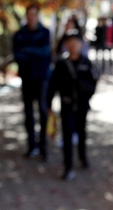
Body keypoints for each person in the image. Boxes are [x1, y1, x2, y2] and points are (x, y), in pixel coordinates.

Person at [47, 29, 99, 181]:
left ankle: (83, 158)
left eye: (76, 42)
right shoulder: (61, 64)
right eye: (70, 43)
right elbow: (52, 85)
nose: (73, 45)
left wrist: (85, 90)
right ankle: (68, 166)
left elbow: (94, 83)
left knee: (81, 132)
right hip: (66, 105)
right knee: (67, 135)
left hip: (82, 105)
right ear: (66, 45)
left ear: (81, 44)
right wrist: (49, 104)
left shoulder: (87, 63)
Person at [13, 4, 52, 160]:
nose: (31, 18)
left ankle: (43, 146)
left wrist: (27, 50)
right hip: (27, 78)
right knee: (28, 113)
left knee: (43, 112)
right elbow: (18, 56)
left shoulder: (45, 33)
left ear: (37, 16)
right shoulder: (19, 35)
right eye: (29, 15)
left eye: (34, 15)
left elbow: (45, 53)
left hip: (42, 78)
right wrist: (34, 53)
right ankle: (32, 146)